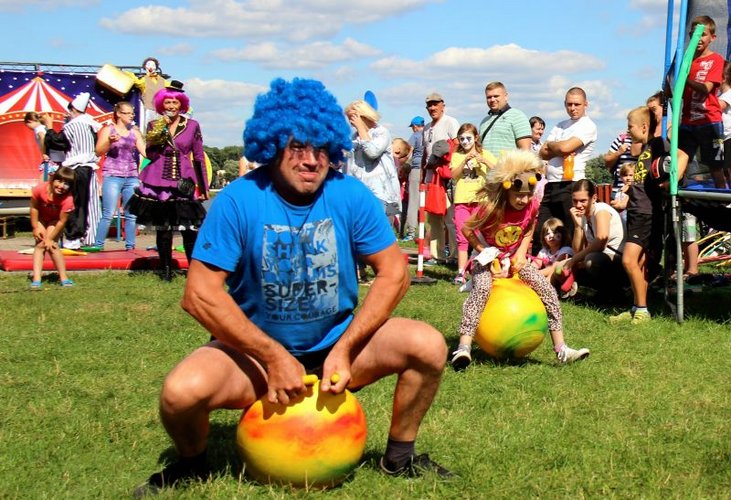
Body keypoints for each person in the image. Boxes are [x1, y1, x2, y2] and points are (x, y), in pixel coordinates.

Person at [133, 78, 451, 495]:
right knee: (180, 392)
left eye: (321, 148)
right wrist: (272, 357)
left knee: (427, 345)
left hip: (336, 346)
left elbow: (394, 271)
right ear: (272, 144)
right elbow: (199, 294)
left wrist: (346, 348)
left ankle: (399, 458)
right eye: (297, 147)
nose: (311, 160)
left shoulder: (350, 195)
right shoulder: (238, 199)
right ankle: (192, 466)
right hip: (253, 356)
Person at [451, 149, 589, 370]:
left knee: (546, 289)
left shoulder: (532, 205)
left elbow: (530, 227)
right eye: (518, 195)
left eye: (528, 194)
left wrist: (521, 253)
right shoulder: (491, 208)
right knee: (483, 289)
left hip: (514, 260)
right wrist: (484, 251)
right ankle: (463, 347)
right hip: (486, 260)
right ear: (506, 190)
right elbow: (467, 228)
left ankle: (562, 349)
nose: (523, 200)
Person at [610, 107, 688, 324]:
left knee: (628, 260)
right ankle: (636, 307)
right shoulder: (645, 148)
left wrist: (672, 181)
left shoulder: (658, 144)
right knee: (639, 264)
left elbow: (682, 155)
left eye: (630, 127)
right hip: (636, 211)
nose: (628, 131)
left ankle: (643, 310)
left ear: (644, 127)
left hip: (646, 214)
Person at [126, 81, 208, 281]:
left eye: (175, 102)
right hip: (158, 182)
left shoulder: (192, 125)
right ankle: (166, 271)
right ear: (162, 104)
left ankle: (194, 271)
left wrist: (203, 186)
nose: (171, 106)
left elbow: (198, 157)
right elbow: (151, 155)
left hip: (183, 182)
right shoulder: (154, 125)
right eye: (167, 102)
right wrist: (158, 136)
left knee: (189, 229)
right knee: (163, 228)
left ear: (182, 105)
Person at [537, 87, 597, 252]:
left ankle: (571, 266)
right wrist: (557, 146)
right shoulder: (560, 125)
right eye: (569, 104)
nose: (573, 108)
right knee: (541, 231)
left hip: (571, 184)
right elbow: (543, 152)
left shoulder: (588, 125)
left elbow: (565, 148)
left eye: (577, 104)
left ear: (586, 104)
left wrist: (553, 145)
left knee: (569, 233)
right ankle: (540, 265)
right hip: (551, 184)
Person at [42, 92, 103, 249]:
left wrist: (49, 127)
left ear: (74, 110)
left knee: (75, 202)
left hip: (76, 168)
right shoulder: (90, 125)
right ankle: (89, 237)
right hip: (89, 168)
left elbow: (57, 142)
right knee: (89, 202)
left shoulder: (73, 125)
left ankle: (73, 237)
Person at [677, 15, 726, 189]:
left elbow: (706, 88)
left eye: (703, 34)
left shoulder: (716, 60)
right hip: (688, 121)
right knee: (680, 158)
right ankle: (675, 193)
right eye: (694, 34)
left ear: (712, 38)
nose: (698, 38)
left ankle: (723, 199)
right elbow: (677, 91)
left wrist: (684, 79)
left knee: (715, 166)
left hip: (709, 122)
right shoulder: (686, 61)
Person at [92, 101, 146, 250]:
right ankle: (98, 244)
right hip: (112, 175)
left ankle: (130, 245)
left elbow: (145, 152)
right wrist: (109, 142)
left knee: (131, 213)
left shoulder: (134, 132)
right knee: (108, 212)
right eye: (128, 113)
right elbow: (98, 151)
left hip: (131, 175)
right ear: (118, 114)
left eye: (132, 113)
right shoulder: (108, 130)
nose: (131, 116)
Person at [449, 123, 496, 285]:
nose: (465, 142)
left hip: (480, 201)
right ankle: (461, 272)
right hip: (462, 200)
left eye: (468, 138)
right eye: (461, 139)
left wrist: (484, 161)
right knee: (462, 236)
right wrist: (464, 162)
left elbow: (498, 170)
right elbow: (453, 175)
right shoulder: (457, 155)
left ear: (476, 138)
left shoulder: (485, 154)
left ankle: (483, 269)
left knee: (479, 235)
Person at [565, 179, 627, 298]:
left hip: (620, 261)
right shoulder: (584, 217)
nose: (578, 205)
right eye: (575, 201)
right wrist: (578, 227)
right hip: (605, 260)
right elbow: (577, 251)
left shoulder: (601, 210)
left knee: (591, 260)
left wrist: (573, 260)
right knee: (571, 263)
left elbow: (601, 241)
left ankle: (614, 292)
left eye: (583, 201)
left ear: (593, 198)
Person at [343, 99, 402, 220]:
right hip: (359, 193)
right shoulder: (354, 138)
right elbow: (348, 165)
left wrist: (361, 128)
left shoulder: (381, 132)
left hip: (381, 194)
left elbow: (372, 152)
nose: (351, 123)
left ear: (363, 116)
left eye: (352, 118)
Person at [422, 92, 459, 263]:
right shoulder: (427, 128)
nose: (432, 108)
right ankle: (437, 255)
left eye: (435, 104)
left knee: (450, 218)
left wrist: (444, 163)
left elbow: (457, 145)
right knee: (434, 218)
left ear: (443, 105)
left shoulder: (450, 122)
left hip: (446, 178)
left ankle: (455, 255)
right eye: (429, 105)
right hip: (432, 179)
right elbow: (425, 153)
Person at [29, 166, 76, 290]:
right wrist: (35, 227)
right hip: (41, 218)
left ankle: (63, 277)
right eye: (59, 181)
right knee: (40, 244)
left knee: (52, 246)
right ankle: (36, 279)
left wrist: (50, 239)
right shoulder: (39, 189)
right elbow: (34, 208)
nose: (61, 186)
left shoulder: (68, 200)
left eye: (67, 184)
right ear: (52, 179)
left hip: (56, 221)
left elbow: (62, 221)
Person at [478, 82, 532, 155]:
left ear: (506, 96)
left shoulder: (517, 116)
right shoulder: (484, 121)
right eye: (489, 97)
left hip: (509, 162)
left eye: (496, 96)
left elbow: (525, 152)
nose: (492, 100)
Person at [532, 217, 574, 292]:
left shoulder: (565, 250)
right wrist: (529, 270)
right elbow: (534, 265)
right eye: (547, 234)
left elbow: (554, 267)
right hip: (546, 276)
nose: (551, 236)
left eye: (555, 232)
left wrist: (535, 274)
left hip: (559, 276)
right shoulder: (544, 252)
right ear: (543, 238)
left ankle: (547, 289)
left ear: (562, 234)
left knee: (555, 271)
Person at [24, 111, 65, 179]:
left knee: (46, 178)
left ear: (29, 121)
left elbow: (42, 137)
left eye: (27, 125)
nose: (28, 127)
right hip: (58, 157)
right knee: (55, 177)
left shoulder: (38, 129)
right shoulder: (44, 127)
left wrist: (44, 152)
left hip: (51, 158)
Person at [403, 116, 425, 241]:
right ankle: (424, 232)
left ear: (415, 126)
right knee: (424, 202)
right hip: (427, 170)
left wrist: (403, 165)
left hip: (416, 169)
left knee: (413, 201)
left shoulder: (415, 135)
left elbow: (408, 152)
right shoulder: (428, 133)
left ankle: (411, 232)